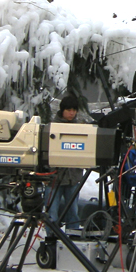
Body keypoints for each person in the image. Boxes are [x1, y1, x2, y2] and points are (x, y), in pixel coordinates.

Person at [46, 94, 88, 227]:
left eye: (74, 110)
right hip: (54, 178)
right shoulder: (51, 127)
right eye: (69, 110)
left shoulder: (81, 128)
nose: (72, 113)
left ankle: (72, 237)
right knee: (51, 214)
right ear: (62, 110)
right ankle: (51, 238)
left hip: (73, 178)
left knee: (73, 213)